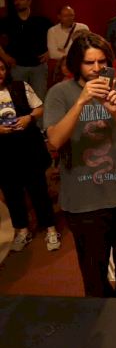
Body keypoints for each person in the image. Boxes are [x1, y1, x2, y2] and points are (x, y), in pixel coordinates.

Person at [44, 33, 116, 298]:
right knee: (95, 279)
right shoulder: (60, 93)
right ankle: (104, 321)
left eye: (102, 61)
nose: (97, 68)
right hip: (84, 202)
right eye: (90, 62)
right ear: (76, 63)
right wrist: (81, 101)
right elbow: (55, 140)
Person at [0, 58, 58, 252]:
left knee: (38, 188)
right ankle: (22, 230)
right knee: (12, 192)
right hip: (3, 152)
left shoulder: (20, 86)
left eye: (1, 68)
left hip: (28, 146)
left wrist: (29, 118)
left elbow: (40, 108)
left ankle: (50, 228)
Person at [0, 0, 53, 102]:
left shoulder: (41, 20)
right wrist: (4, 56)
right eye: (15, 0)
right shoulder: (8, 21)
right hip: (17, 67)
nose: (18, 2)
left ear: (29, 1)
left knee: (40, 98)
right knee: (19, 99)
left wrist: (50, 52)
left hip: (39, 66)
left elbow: (55, 36)